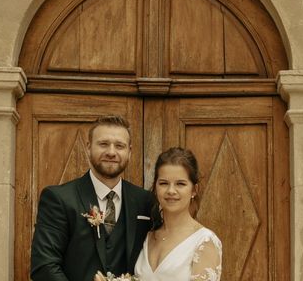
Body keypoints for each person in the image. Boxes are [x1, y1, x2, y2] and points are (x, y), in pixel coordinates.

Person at [30, 115, 152, 281]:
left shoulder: (144, 201)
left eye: (119, 146)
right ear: (88, 147)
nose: (111, 152)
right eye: (103, 144)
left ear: (130, 152)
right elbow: (44, 266)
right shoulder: (58, 198)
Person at [134, 147, 222, 281]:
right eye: (163, 183)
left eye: (180, 184)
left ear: (194, 190)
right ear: (155, 187)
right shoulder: (148, 236)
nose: (171, 191)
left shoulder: (204, 241)